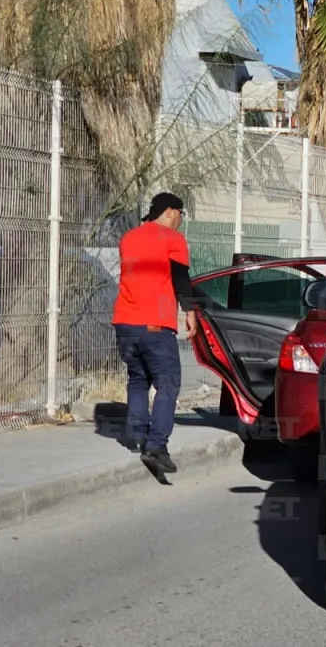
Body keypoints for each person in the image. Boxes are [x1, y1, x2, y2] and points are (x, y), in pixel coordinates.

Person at [113, 192, 198, 475]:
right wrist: (190, 311)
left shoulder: (128, 238)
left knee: (138, 378)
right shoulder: (173, 240)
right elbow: (180, 278)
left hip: (124, 322)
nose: (180, 221)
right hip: (155, 325)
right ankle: (156, 445)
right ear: (171, 212)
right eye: (180, 215)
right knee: (168, 382)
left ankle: (137, 436)